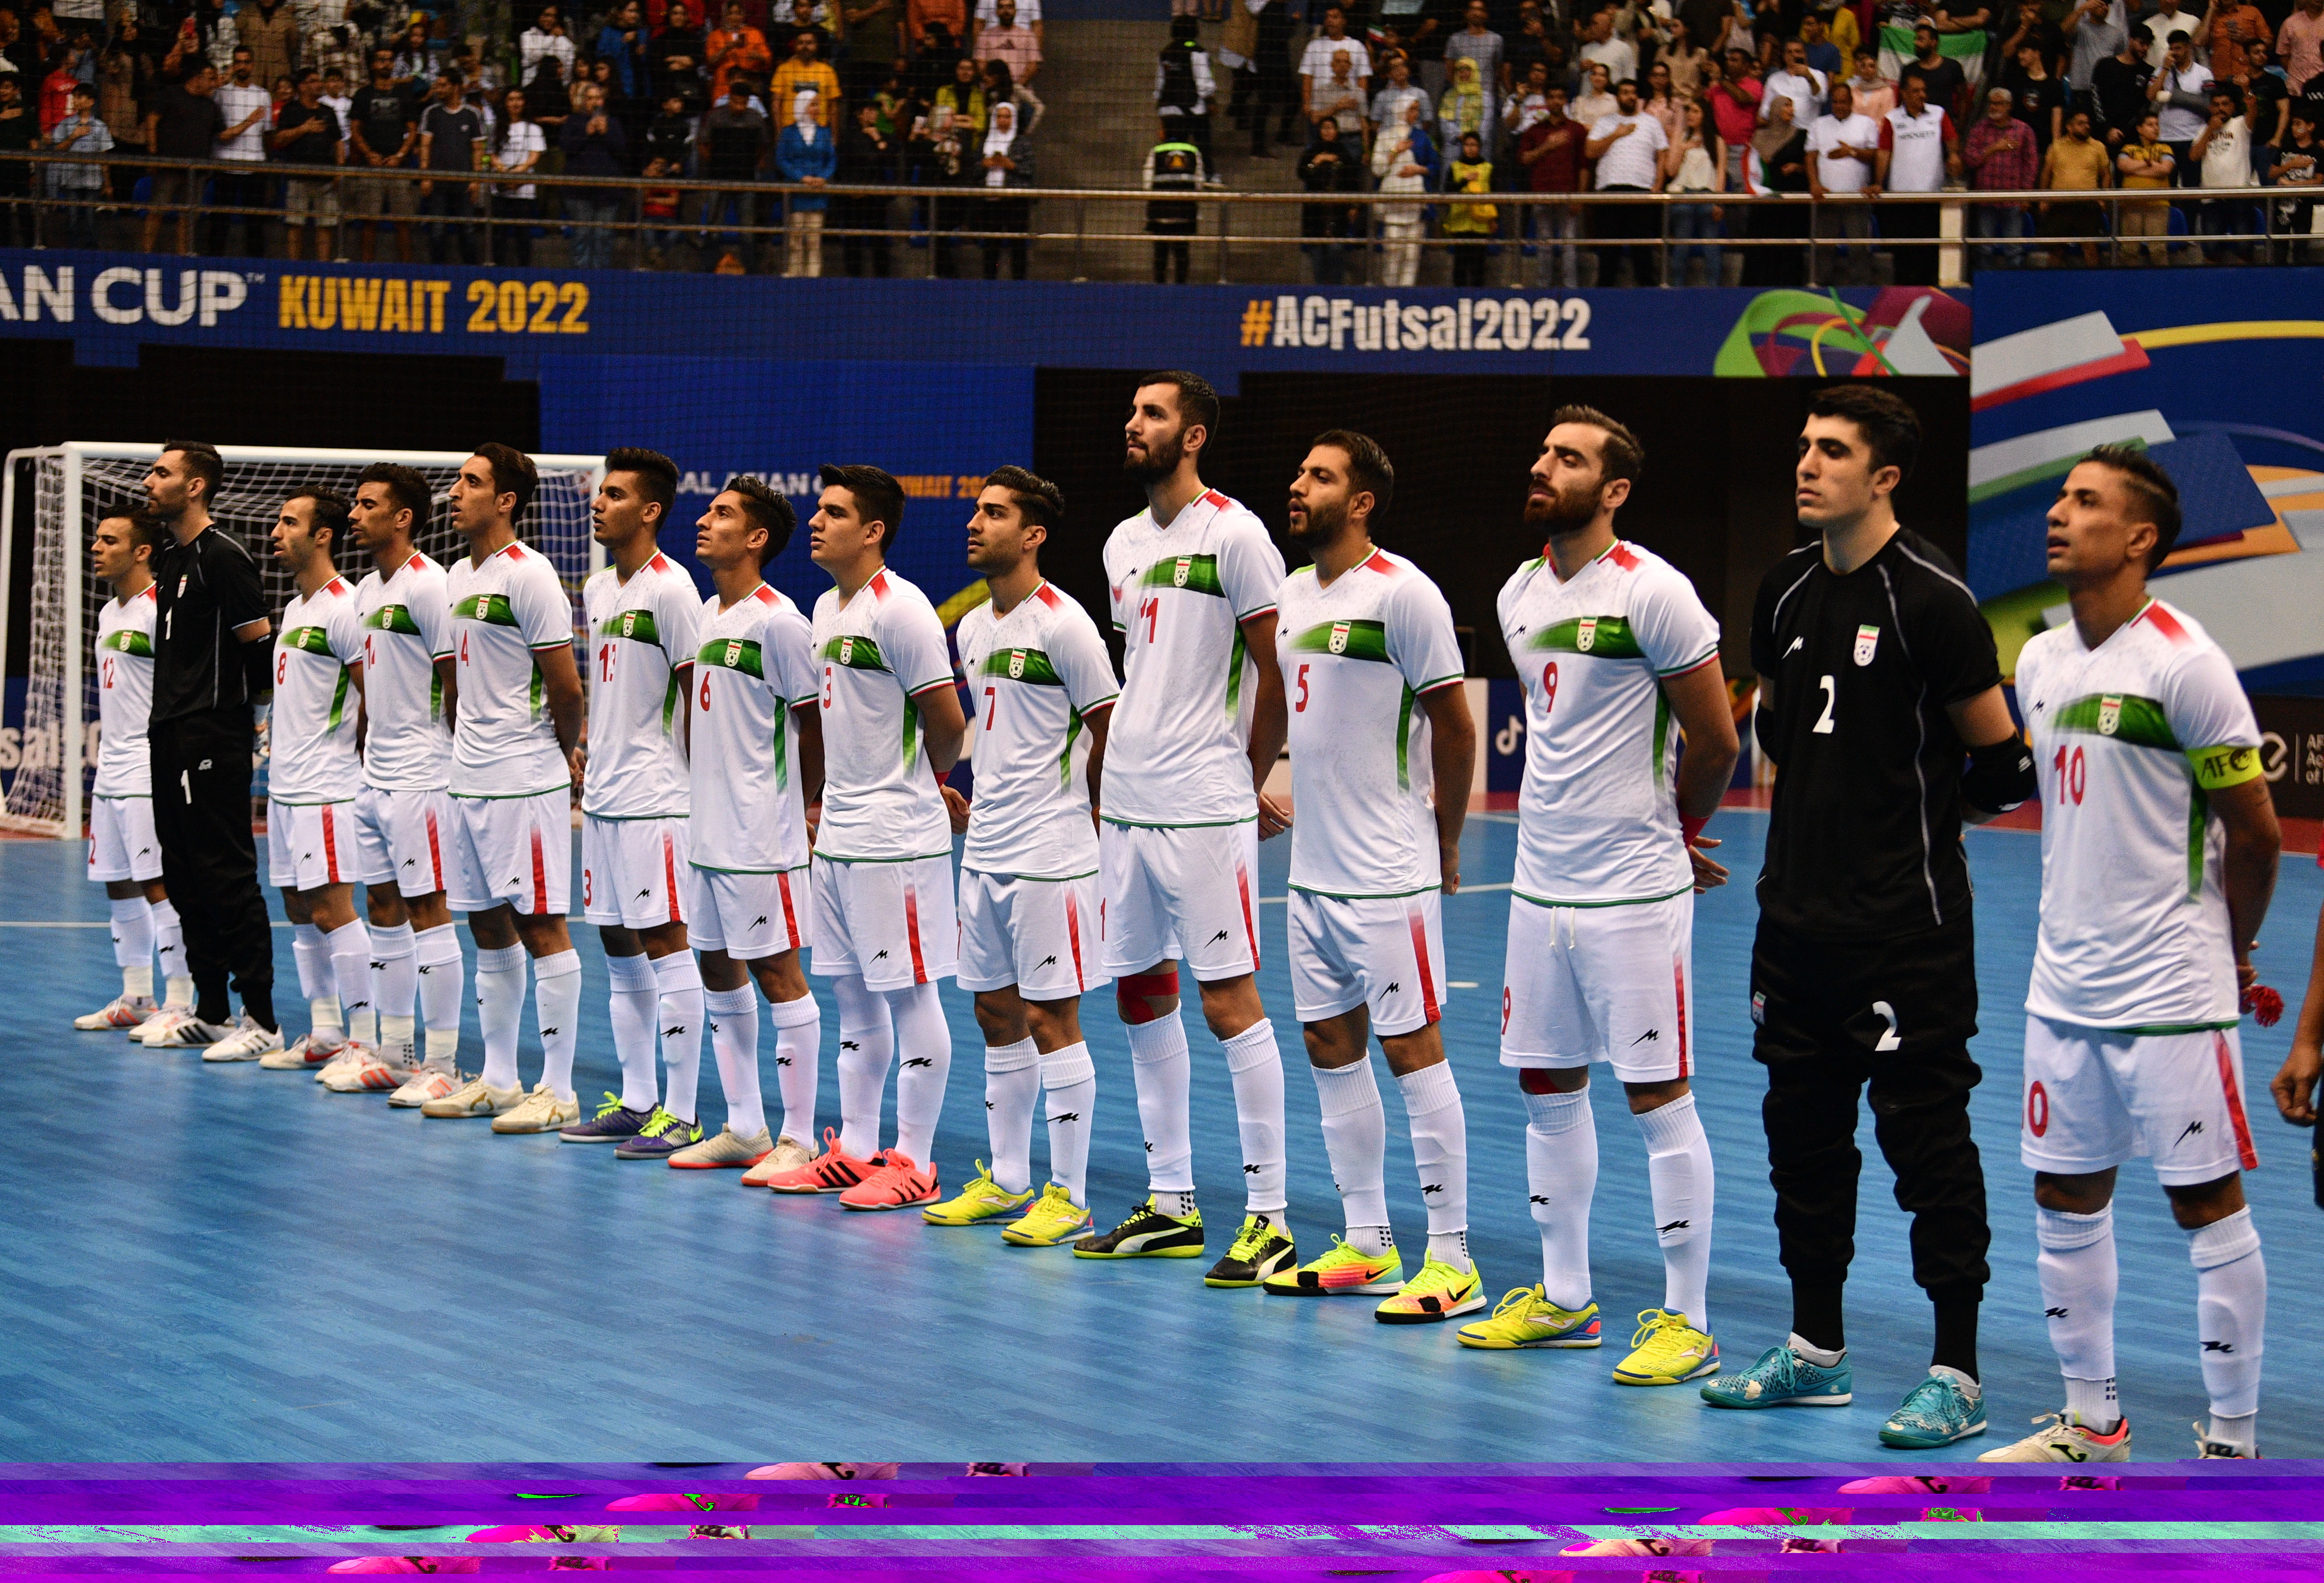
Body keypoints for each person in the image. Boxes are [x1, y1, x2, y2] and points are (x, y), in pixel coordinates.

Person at [1700, 384, 2034, 1450]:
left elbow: (2004, 765)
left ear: (1884, 476)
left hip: (1908, 936)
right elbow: (1790, 751)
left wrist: (1924, 831)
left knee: (1927, 1147)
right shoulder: (1786, 589)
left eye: (1833, 451)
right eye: (1804, 446)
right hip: (1794, 932)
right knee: (1803, 1146)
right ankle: (1815, 1350)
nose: (1808, 464)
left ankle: (1958, 1369)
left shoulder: (1932, 599)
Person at [1968, 447, 2280, 1465]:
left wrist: (2232, 953)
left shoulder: (2186, 664)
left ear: (2141, 537)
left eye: (2086, 502)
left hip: (2173, 993)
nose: (2058, 514)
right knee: (2065, 1193)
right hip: (2062, 991)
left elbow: (2258, 830)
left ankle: (2232, 1440)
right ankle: (2092, 1422)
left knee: (2203, 1200)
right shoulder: (2042, 660)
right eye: (2059, 496)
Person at [1453, 408, 1738, 1388]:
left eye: (1568, 459)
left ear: (1613, 489)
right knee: (1547, 1088)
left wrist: (1677, 831)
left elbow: (1717, 741)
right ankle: (1567, 1299)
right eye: (1542, 453)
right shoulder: (1519, 592)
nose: (1543, 468)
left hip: (1631, 891)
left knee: (1656, 1097)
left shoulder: (1655, 593)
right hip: (1539, 889)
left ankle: (1689, 1320)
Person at [1074, 372, 1296, 1290]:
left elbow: (1276, 671)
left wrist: (1251, 779)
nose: (1133, 425)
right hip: (1126, 801)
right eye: (1130, 413)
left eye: (1153, 415)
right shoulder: (1121, 542)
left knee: (1228, 1002)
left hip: (1205, 803)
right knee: (1138, 994)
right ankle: (1171, 1202)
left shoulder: (1238, 536)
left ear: (1195, 435)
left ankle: (1270, 1219)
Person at [1260, 432, 1482, 1324]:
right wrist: (1265, 782)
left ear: (1361, 503)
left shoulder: (1404, 593)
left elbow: (1456, 727)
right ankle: (1366, 1241)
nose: (1297, 484)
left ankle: (1454, 1257)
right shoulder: (1289, 593)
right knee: (1328, 1047)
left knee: (1409, 1049)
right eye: (1299, 469)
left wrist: (1448, 840)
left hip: (1389, 871)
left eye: (1318, 476)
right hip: (1311, 875)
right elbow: (1298, 713)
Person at [756, 466, 967, 1211]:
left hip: (896, 838)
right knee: (852, 997)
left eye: (835, 512)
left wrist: (917, 785)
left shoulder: (902, 610)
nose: (816, 522)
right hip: (839, 835)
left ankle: (915, 1159)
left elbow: (947, 724)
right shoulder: (823, 605)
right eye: (818, 510)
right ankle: (852, 1147)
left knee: (911, 997)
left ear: (873, 530)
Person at [921, 468, 1117, 1244]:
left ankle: (1067, 1194)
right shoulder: (971, 629)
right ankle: (1008, 1180)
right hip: (987, 847)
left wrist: (1094, 814)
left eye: (994, 514)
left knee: (1050, 1017)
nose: (975, 523)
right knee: (994, 1012)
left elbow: (1110, 722)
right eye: (976, 510)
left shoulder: (1065, 624)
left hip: (1052, 853)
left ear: (1033, 534)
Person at [657, 477, 826, 1174]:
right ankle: (746, 1126)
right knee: (717, 968)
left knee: (778, 974)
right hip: (708, 834)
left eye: (722, 514)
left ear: (757, 538)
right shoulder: (704, 615)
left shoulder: (780, 622)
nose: (705, 521)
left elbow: (815, 725)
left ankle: (800, 1138)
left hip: (764, 838)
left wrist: (807, 808)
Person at [417, 447, 588, 1134]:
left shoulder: (531, 574)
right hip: (468, 778)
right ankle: (498, 1079)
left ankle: (559, 1089)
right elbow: (457, 680)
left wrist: (555, 747)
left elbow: (566, 685)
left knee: (541, 925)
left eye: (471, 482)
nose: (455, 493)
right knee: (488, 927)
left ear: (507, 499)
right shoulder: (459, 574)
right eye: (459, 481)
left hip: (525, 779)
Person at [554, 449, 708, 1151]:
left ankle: (681, 1110)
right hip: (608, 797)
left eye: (614, 494)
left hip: (657, 799)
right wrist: (590, 742)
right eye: (599, 492)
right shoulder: (598, 589)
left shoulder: (673, 591)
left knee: (667, 944)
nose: (598, 502)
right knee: (618, 943)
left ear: (650, 510)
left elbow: (695, 697)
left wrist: (687, 781)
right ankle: (639, 1096)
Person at [140, 443, 279, 1057]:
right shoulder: (171, 559)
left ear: (195, 486)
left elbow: (259, 646)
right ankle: (212, 1006)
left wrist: (252, 718)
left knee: (225, 872)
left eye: (162, 473)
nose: (151, 481)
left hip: (212, 732)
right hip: (168, 729)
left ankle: (262, 1019)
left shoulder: (225, 558)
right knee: (182, 872)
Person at [339, 463, 467, 1102]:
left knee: (427, 911)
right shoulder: (363, 590)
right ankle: (394, 1052)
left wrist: (445, 756)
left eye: (367, 505)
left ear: (403, 517)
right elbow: (370, 683)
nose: (354, 515)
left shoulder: (430, 586)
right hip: (375, 775)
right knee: (383, 909)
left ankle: (441, 1062)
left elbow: (454, 681)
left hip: (423, 774)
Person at [247, 489, 372, 1075]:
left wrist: (358, 767)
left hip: (329, 787)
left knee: (333, 912)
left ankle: (366, 1038)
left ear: (323, 535)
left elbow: (372, 695)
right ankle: (325, 1031)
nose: (276, 531)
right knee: (298, 908)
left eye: (288, 522)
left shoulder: (345, 608)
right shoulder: (297, 609)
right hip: (287, 788)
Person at [73, 512, 191, 1038]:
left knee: (157, 883)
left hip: (149, 765)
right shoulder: (107, 613)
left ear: (142, 552)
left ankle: (182, 1000)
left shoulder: (162, 610)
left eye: (109, 540)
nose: (96, 547)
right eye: (97, 538)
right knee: (118, 883)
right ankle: (137, 995)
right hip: (112, 769)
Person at [1869, 71, 1959, 286]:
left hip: (1932, 197)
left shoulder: (1938, 114)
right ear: (1904, 94)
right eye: (1916, 91)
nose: (1922, 95)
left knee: (1930, 253)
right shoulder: (1892, 119)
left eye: (1924, 91)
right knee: (1904, 254)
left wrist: (1955, 156)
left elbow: (1952, 141)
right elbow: (1884, 153)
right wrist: (1878, 183)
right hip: (1902, 198)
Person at [1586, 77, 1668, 286]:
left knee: (1642, 247)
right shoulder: (1605, 122)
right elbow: (1590, 151)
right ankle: (1604, 293)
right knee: (1609, 248)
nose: (1630, 96)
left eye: (1633, 93)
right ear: (1618, 97)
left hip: (1641, 191)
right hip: (1610, 190)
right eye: (1625, 92)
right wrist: (1616, 135)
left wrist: (1658, 185)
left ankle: (1647, 292)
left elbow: (1663, 154)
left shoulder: (1651, 122)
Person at [349, 46, 420, 263]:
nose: (386, 64)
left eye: (390, 60)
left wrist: (400, 155)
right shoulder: (363, 95)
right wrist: (369, 154)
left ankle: (406, 270)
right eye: (381, 59)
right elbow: (355, 130)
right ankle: (366, 268)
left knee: (403, 222)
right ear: (372, 65)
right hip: (372, 165)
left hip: (398, 165)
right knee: (370, 221)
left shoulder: (405, 94)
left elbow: (413, 130)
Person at [1808, 79, 1877, 282]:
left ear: (1851, 102)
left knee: (1858, 248)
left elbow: (1874, 155)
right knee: (1824, 248)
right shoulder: (1818, 124)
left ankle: (1861, 291)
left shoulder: (1866, 124)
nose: (1839, 106)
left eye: (1844, 102)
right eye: (1836, 102)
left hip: (1857, 198)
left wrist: (1851, 152)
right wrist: (1814, 184)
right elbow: (1810, 157)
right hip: (1826, 198)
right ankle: (1821, 289)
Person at [1963, 86, 2037, 266]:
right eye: (1992, 104)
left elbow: (2031, 163)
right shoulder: (1979, 130)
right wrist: (1993, 148)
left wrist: (2026, 193)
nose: (1994, 108)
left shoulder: (2023, 130)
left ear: (2009, 106)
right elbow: (1970, 159)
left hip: (2013, 199)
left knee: (2014, 249)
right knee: (1984, 249)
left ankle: (2015, 288)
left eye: (1999, 104)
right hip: (1986, 199)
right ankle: (1985, 287)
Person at [418, 69, 484, 265]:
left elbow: (478, 149)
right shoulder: (431, 113)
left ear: (456, 87)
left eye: (443, 85)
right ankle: (438, 272)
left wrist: (476, 179)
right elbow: (425, 146)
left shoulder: (473, 114)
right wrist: (425, 176)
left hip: (464, 183)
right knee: (437, 231)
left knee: (468, 230)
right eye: (437, 85)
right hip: (438, 182)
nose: (439, 89)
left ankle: (471, 272)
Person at [211, 44, 272, 257]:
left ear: (252, 65)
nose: (242, 66)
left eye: (246, 62)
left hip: (254, 166)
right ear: (233, 65)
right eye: (238, 62)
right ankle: (213, 263)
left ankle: (257, 268)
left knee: (255, 224)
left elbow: (267, 133)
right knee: (220, 222)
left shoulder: (264, 96)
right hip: (225, 164)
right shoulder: (220, 93)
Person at [561, 82, 628, 269]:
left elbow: (623, 150)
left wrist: (607, 133)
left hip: (607, 193)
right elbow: (566, 147)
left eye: (597, 98)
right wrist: (586, 133)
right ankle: (582, 279)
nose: (594, 102)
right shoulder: (573, 122)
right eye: (589, 98)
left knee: (603, 236)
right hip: (579, 193)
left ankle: (600, 280)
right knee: (582, 234)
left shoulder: (613, 123)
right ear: (583, 101)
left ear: (603, 101)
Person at [1372, 97, 1435, 286]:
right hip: (1393, 203)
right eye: (1411, 109)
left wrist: (1419, 170)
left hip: (1415, 202)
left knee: (1412, 254)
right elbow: (1377, 169)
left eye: (1417, 109)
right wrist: (1394, 151)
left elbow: (1434, 165)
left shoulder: (1422, 137)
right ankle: (1390, 294)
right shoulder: (1385, 136)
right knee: (1393, 252)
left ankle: (1408, 293)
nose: (1415, 113)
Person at [1663, 95, 1726, 284]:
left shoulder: (1716, 141)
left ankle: (1714, 290)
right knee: (1681, 245)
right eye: (1689, 111)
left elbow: (1721, 170)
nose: (1691, 115)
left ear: (1706, 115)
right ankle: (1677, 288)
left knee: (1710, 246)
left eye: (1696, 111)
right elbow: (1670, 170)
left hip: (1707, 194)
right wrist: (1683, 148)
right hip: (1683, 194)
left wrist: (1719, 201)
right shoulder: (1680, 137)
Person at [40, 81, 111, 248]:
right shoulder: (66, 125)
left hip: (93, 182)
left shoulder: (101, 128)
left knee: (91, 221)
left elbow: (105, 158)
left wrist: (108, 184)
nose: (76, 101)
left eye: (80, 97)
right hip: (71, 180)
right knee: (71, 220)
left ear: (91, 101)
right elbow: (57, 150)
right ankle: (72, 254)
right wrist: (74, 136)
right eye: (75, 97)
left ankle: (92, 254)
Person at [2038, 105, 2109, 266]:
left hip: (2088, 204)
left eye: (2088, 123)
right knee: (2056, 249)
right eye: (2081, 123)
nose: (2087, 127)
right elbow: (2046, 174)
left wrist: (2103, 199)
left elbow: (2106, 175)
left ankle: (2094, 284)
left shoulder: (2098, 147)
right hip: (2060, 203)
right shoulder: (2057, 146)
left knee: (2091, 249)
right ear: (2069, 127)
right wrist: (2043, 198)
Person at [485, 87, 545, 267]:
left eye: (519, 99)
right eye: (511, 99)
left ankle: (525, 270)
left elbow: (534, 158)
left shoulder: (534, 129)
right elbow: (490, 155)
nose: (515, 103)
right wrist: (504, 173)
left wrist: (515, 175)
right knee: (499, 235)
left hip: (523, 190)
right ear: (505, 103)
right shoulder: (496, 127)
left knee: (523, 236)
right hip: (500, 190)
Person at [778, 87, 835, 274]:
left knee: (814, 241)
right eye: (814, 105)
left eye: (819, 105)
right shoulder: (788, 133)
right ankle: (794, 278)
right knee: (795, 241)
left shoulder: (825, 133)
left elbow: (832, 159)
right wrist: (801, 178)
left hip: (817, 194)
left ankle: (812, 280)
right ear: (802, 106)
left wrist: (822, 178)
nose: (817, 109)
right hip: (796, 194)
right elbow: (782, 159)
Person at [837, 98, 897, 275]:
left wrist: (878, 139)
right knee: (853, 241)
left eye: (875, 111)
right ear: (860, 114)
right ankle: (853, 278)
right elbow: (842, 165)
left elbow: (890, 161)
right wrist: (852, 190)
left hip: (876, 198)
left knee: (879, 240)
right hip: (853, 198)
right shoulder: (849, 136)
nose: (874, 114)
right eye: (870, 110)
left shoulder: (884, 135)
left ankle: (882, 279)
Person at [974, 95, 1031, 279]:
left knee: (1018, 245)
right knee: (992, 245)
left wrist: (1010, 165)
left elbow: (1030, 170)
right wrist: (985, 164)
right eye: (1000, 116)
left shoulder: (1022, 143)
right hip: (991, 202)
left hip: (1015, 203)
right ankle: (990, 281)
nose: (1003, 120)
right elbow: (973, 171)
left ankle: (1019, 282)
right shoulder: (985, 141)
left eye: (1007, 117)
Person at [1145, 127, 1205, 283]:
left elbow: (1147, 182)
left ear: (1166, 132)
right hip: (1185, 212)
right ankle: (1181, 286)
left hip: (1160, 212)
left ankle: (1159, 285)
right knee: (1182, 253)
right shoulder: (1193, 151)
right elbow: (1200, 183)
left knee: (1161, 253)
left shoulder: (1157, 151)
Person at [2113, 109, 2173, 263]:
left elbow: (2166, 169)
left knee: (2158, 250)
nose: (2156, 128)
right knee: (2129, 251)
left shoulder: (2165, 149)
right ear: (2139, 129)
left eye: (2157, 125)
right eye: (2150, 125)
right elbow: (2122, 165)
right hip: (2131, 203)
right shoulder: (2128, 149)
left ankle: (2161, 284)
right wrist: (2150, 164)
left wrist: (2137, 170)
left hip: (2158, 204)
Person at [1156, 14, 1215, 168]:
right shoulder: (1198, 52)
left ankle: (1170, 178)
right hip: (1194, 110)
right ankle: (1209, 175)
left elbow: (1160, 84)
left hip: (1169, 111)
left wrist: (1162, 113)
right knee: (1204, 146)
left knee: (1174, 150)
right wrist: (1211, 102)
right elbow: (1203, 82)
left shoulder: (1166, 52)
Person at [1440, 128, 1498, 284]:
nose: (1471, 148)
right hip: (1461, 222)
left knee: (1479, 265)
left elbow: (1496, 195)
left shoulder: (1488, 168)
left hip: (1481, 223)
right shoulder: (1455, 167)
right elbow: (1447, 190)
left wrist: (1494, 219)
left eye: (1474, 145)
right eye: (1467, 145)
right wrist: (1464, 181)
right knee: (1460, 264)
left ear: (1479, 147)